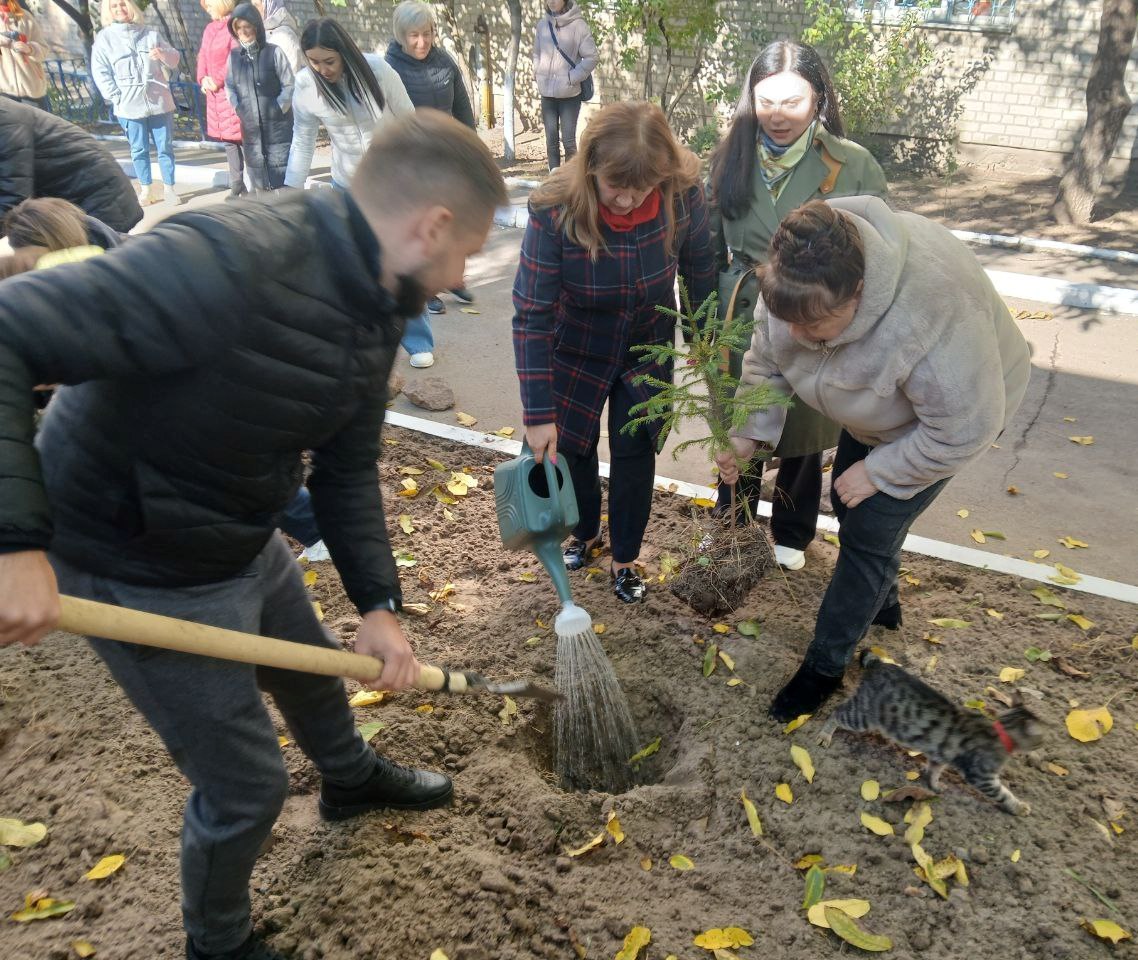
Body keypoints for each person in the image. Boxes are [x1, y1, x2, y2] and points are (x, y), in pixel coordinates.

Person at [0, 110, 506, 960]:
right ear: (434, 226)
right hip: (131, 556)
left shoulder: (382, 293)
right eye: (468, 253)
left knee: (312, 683)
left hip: (237, 526)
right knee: (246, 787)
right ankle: (219, 942)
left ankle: (349, 781)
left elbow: (346, 463)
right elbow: (8, 330)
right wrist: (16, 544)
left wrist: (378, 604)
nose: (462, 275)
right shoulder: (226, 258)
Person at [717, 198, 1031, 721]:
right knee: (848, 499)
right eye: (786, 318)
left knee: (867, 534)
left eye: (813, 323)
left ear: (858, 293)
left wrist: (884, 470)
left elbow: (962, 428)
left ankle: (824, 666)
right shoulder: (792, 281)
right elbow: (767, 361)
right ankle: (883, 604)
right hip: (878, 409)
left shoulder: (932, 313)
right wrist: (747, 434)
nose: (796, 334)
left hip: (948, 420)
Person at [513, 101, 716, 604]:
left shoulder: (683, 196)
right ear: (591, 168)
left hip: (646, 342)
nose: (627, 201)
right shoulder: (554, 209)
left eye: (640, 189)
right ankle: (586, 534)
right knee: (572, 449)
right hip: (576, 344)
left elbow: (701, 272)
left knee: (634, 451)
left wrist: (704, 342)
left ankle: (625, 557)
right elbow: (531, 314)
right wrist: (537, 414)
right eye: (615, 188)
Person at [707, 41, 887, 573]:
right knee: (741, 421)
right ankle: (732, 524)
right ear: (750, 100)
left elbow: (879, 253)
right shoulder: (730, 159)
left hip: (816, 315)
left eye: (792, 101)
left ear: (819, 99)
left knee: (805, 425)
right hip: (742, 313)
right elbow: (708, 246)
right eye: (766, 101)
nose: (777, 116)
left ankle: (792, 529)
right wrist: (705, 322)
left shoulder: (852, 166)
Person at [285, 18, 432, 368]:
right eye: (314, 61)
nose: (322, 69)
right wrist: (289, 193)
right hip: (348, 184)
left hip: (394, 183)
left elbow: (409, 118)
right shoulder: (306, 86)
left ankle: (418, 340)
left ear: (345, 53)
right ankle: (365, 340)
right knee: (356, 266)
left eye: (329, 61)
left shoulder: (378, 70)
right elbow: (302, 141)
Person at [385, 0, 476, 322]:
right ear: (401, 35)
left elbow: (463, 109)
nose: (421, 42)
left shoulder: (445, 61)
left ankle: (453, 278)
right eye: (414, 35)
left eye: (427, 34)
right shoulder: (389, 68)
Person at [0, 97, 143, 233]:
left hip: (97, 197)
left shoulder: (6, 120)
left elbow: (12, 196)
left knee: (99, 255)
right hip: (78, 201)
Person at [91, 0, 182, 207]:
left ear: (131, 7)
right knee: (138, 149)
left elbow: (174, 59)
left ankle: (169, 188)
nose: (120, 9)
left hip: (159, 102)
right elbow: (100, 71)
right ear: (109, 11)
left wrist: (163, 54)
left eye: (123, 4)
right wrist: (116, 96)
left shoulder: (150, 33)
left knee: (165, 147)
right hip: (129, 106)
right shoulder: (105, 39)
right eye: (114, 6)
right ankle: (146, 189)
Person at [227, 2, 294, 192]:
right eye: (238, 28)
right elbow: (230, 86)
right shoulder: (233, 57)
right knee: (258, 181)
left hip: (278, 128)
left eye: (247, 26)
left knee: (282, 179)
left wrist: (278, 107)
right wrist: (239, 109)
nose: (243, 31)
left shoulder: (274, 53)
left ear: (256, 26)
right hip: (250, 129)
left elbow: (288, 84)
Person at [532, 0, 596, 172]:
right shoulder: (542, 25)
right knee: (551, 141)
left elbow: (591, 57)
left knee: (568, 142)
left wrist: (572, 77)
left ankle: (570, 184)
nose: (551, 2)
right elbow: (536, 53)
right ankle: (554, 183)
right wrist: (536, 72)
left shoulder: (579, 26)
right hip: (547, 93)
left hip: (569, 95)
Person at [197, 0, 246, 201]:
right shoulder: (209, 29)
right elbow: (202, 56)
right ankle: (237, 184)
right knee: (228, 141)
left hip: (231, 92)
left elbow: (233, 57)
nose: (206, 8)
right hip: (215, 95)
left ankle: (254, 184)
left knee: (243, 140)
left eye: (209, 4)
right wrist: (202, 78)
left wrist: (216, 80)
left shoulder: (234, 25)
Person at [0, 0, 49, 109]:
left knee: (38, 126)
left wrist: (30, 49)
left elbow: (44, 49)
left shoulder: (25, 16)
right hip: (4, 93)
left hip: (31, 91)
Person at [251, 0, 303, 71]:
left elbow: (292, 77)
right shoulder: (260, 31)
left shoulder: (285, 38)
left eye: (256, 6)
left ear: (268, 5)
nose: (253, 11)